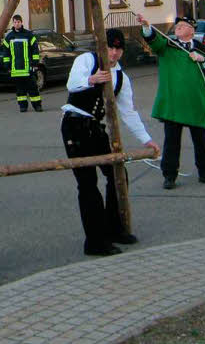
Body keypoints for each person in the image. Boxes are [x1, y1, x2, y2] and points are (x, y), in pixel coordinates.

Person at [61, 29, 160, 256]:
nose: (113, 53)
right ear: (102, 47)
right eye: (110, 48)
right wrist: (91, 79)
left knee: (118, 175)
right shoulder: (87, 60)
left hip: (95, 128)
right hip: (75, 125)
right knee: (87, 184)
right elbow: (72, 84)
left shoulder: (121, 77)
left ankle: (114, 229)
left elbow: (128, 112)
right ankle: (94, 242)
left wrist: (147, 140)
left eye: (118, 49)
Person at [137, 14, 205, 190]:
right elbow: (154, 41)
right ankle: (169, 175)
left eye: (182, 25)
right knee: (172, 142)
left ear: (192, 30)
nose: (178, 28)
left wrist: (203, 60)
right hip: (173, 103)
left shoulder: (202, 49)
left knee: (201, 141)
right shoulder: (168, 45)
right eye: (177, 26)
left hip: (196, 102)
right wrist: (146, 27)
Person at [4, 14, 41, 112]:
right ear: (13, 23)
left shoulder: (28, 35)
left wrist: (35, 63)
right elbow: (6, 52)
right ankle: (23, 106)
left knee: (33, 88)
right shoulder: (9, 37)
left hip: (28, 68)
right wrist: (7, 65)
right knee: (20, 90)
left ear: (21, 22)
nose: (17, 24)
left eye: (18, 22)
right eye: (15, 22)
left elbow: (35, 50)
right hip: (16, 69)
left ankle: (37, 106)